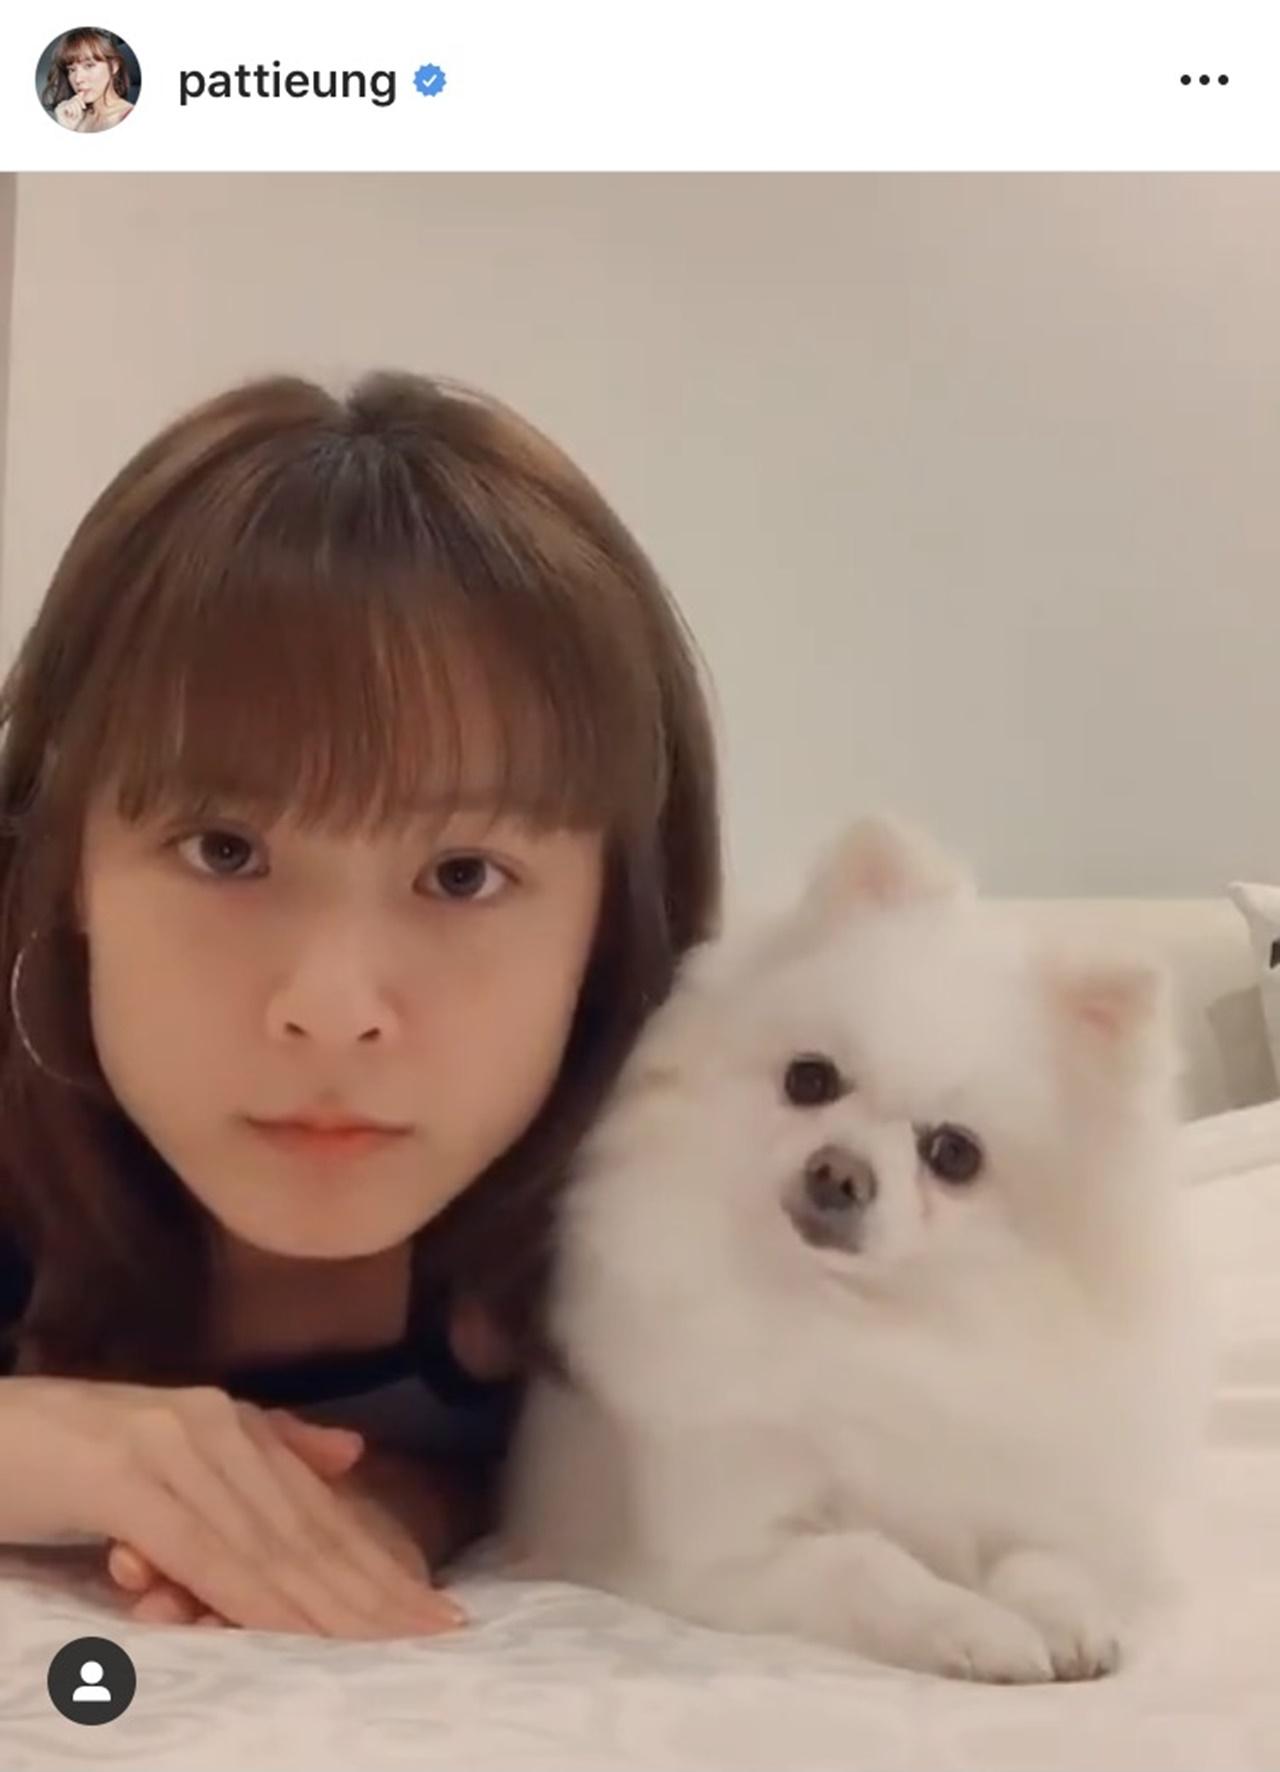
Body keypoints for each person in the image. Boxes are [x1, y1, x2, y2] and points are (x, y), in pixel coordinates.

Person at [0, 371, 721, 1636]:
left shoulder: (688, 1210)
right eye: (225, 849)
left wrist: (408, 1491)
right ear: (67, 868)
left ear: (609, 925)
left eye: (463, 874)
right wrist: (51, 1441)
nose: (332, 1010)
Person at [43, 28, 136, 134]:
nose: (78, 79)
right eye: (72, 70)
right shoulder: (73, 117)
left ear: (114, 66)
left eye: (89, 66)